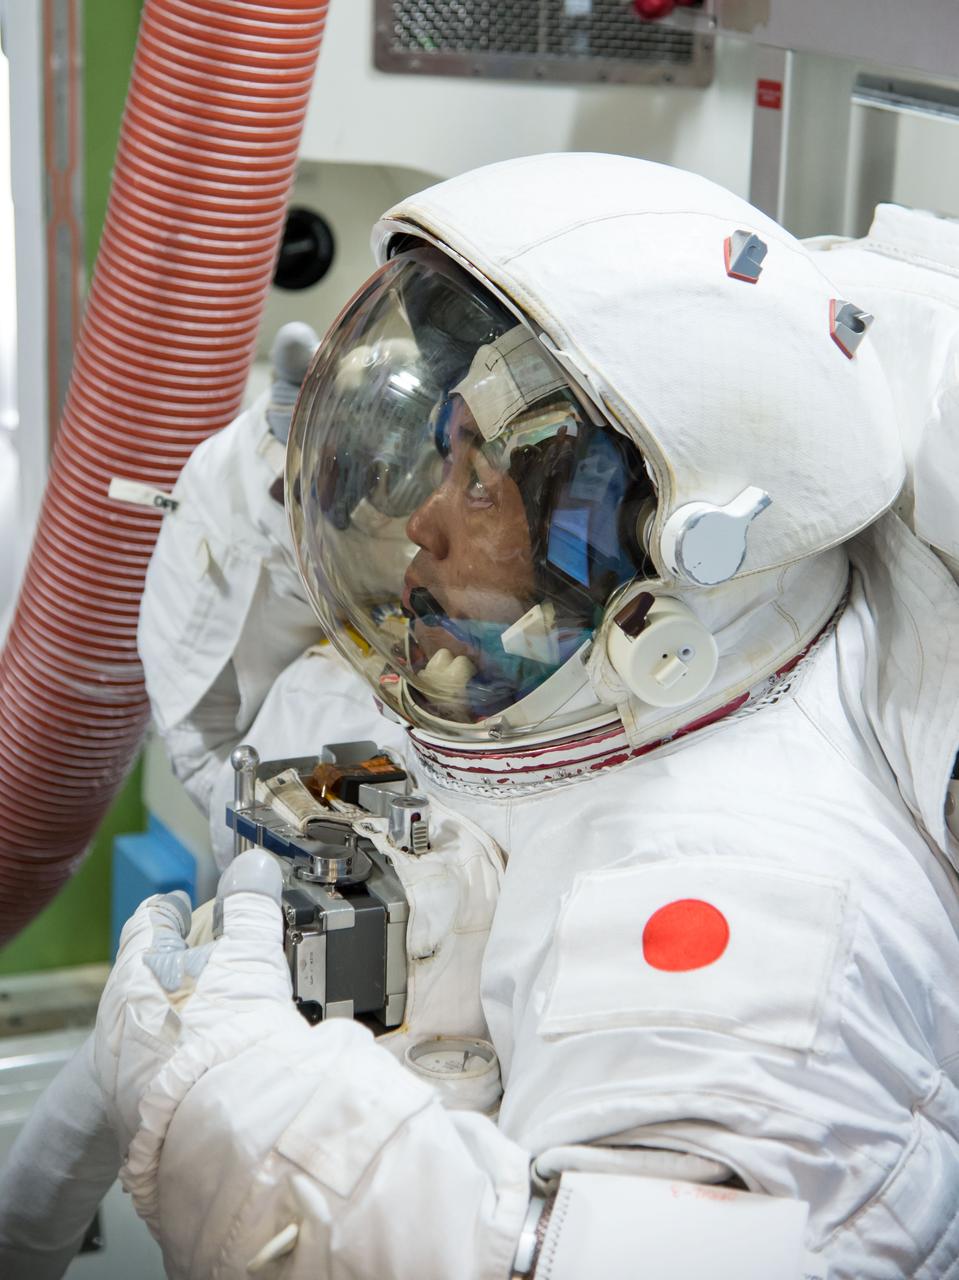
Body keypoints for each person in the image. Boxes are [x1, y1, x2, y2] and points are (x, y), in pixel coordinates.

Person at [4, 152, 959, 1279]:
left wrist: (269, 1136)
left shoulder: (742, 904)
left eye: (474, 482)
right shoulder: (509, 698)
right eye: (439, 453)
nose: (417, 526)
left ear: (638, 551)